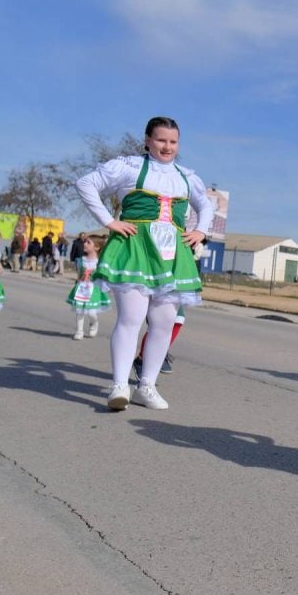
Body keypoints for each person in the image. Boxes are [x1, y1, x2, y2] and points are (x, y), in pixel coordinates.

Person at [75, 115, 214, 411]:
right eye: (161, 140)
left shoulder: (186, 176)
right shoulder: (129, 167)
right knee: (131, 318)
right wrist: (109, 221)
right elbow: (86, 183)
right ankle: (120, 385)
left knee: (164, 322)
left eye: (173, 141)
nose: (167, 146)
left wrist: (201, 230)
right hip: (135, 247)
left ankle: (147, 386)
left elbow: (206, 203)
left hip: (172, 253)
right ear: (148, 140)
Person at [66, 235, 112, 339]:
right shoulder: (81, 260)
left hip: (94, 288)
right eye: (85, 242)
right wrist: (79, 280)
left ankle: (94, 323)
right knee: (79, 311)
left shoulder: (100, 261)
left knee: (91, 312)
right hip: (82, 287)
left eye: (88, 242)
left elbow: (103, 276)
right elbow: (79, 274)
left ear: (96, 247)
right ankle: (79, 331)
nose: (84, 244)